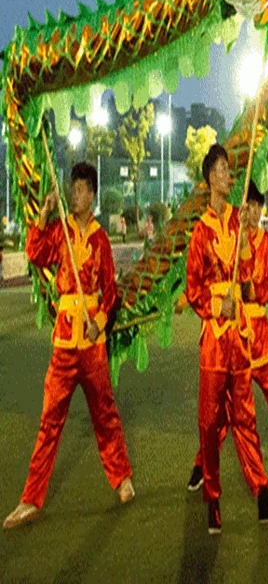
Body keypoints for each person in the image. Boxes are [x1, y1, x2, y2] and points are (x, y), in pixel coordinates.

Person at [4, 163, 134, 530]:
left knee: (105, 413)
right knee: (49, 421)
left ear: (91, 193)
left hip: (92, 342)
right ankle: (31, 499)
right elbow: (35, 254)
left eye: (80, 189)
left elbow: (110, 290)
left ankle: (122, 477)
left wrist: (101, 322)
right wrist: (44, 215)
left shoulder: (100, 238)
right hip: (64, 342)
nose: (74, 195)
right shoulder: (59, 230)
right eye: (72, 189)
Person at [185, 144, 268, 534]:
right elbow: (193, 286)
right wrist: (216, 307)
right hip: (214, 339)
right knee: (210, 423)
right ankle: (212, 497)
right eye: (224, 170)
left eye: (230, 170)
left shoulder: (238, 221)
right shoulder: (200, 233)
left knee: (246, 418)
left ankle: (261, 493)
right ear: (210, 177)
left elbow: (248, 270)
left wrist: (247, 237)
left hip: (241, 337)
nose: (230, 176)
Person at [186, 181, 268, 494]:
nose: (253, 212)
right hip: (233, 336)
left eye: (258, 206)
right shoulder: (230, 238)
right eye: (249, 206)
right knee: (225, 413)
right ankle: (202, 464)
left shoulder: (266, 241)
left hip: (260, 335)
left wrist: (251, 290)